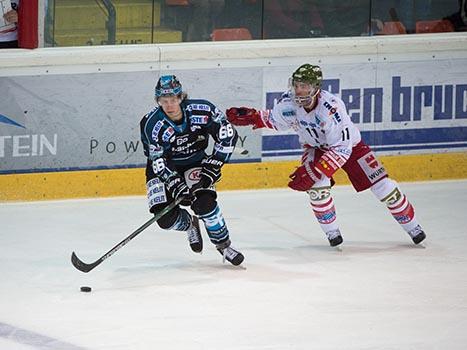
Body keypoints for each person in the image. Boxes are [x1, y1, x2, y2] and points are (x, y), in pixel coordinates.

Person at [226, 64, 426, 247]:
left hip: (351, 146)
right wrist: (253, 117)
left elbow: (342, 148)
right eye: (296, 85)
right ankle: (332, 233)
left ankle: (413, 227)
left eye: (304, 86)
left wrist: (316, 170)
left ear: (315, 87)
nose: (299, 90)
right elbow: (276, 119)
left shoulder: (331, 108)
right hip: (315, 148)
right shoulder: (289, 102)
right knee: (317, 188)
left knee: (385, 188)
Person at [140, 75, 244, 266]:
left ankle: (223, 245)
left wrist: (213, 166)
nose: (169, 105)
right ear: (158, 101)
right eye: (164, 101)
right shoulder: (152, 124)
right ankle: (189, 224)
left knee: (205, 203)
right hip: (163, 168)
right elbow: (158, 159)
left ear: (181, 97)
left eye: (173, 100)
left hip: (194, 161)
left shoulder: (202, 110)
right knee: (164, 218)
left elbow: (227, 134)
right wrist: (175, 184)